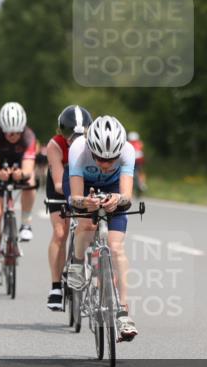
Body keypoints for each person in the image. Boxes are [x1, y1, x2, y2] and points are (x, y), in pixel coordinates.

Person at [64, 115, 138, 341]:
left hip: (114, 188)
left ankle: (124, 312)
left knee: (116, 248)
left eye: (111, 160)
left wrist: (117, 199)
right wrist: (85, 202)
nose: (105, 165)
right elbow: (74, 197)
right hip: (84, 186)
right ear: (91, 150)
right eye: (99, 158)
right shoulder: (78, 148)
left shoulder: (127, 151)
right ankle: (77, 263)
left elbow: (127, 196)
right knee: (86, 223)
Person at [44, 105, 92, 310]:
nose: (75, 139)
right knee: (60, 232)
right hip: (60, 186)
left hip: (85, 183)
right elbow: (57, 183)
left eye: (81, 134)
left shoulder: (94, 142)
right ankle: (56, 287)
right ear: (61, 133)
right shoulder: (55, 145)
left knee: (91, 226)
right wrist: (78, 198)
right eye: (70, 135)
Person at [0, 102, 37, 286]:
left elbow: (29, 170)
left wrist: (20, 174)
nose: (11, 136)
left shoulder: (29, 137)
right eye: (8, 132)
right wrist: (0, 174)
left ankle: (25, 224)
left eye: (15, 133)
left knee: (30, 182)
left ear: (22, 129)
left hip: (19, 170)